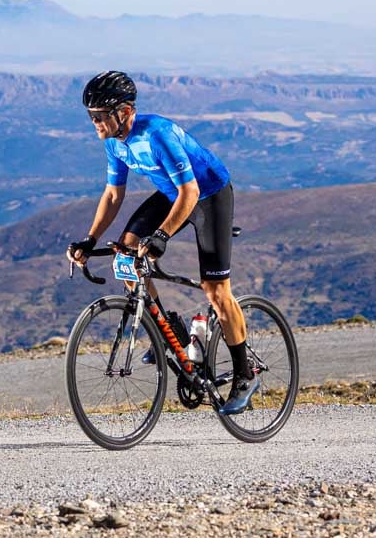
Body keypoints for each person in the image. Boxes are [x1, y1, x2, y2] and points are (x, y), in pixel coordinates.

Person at [66, 70, 258, 415]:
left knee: (215, 291)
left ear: (124, 111)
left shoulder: (158, 135)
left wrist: (162, 236)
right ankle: (172, 333)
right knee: (125, 258)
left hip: (209, 196)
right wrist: (90, 238)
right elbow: (113, 194)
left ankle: (245, 374)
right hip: (173, 195)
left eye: (99, 116)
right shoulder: (114, 141)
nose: (94, 123)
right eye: (90, 117)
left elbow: (191, 192)